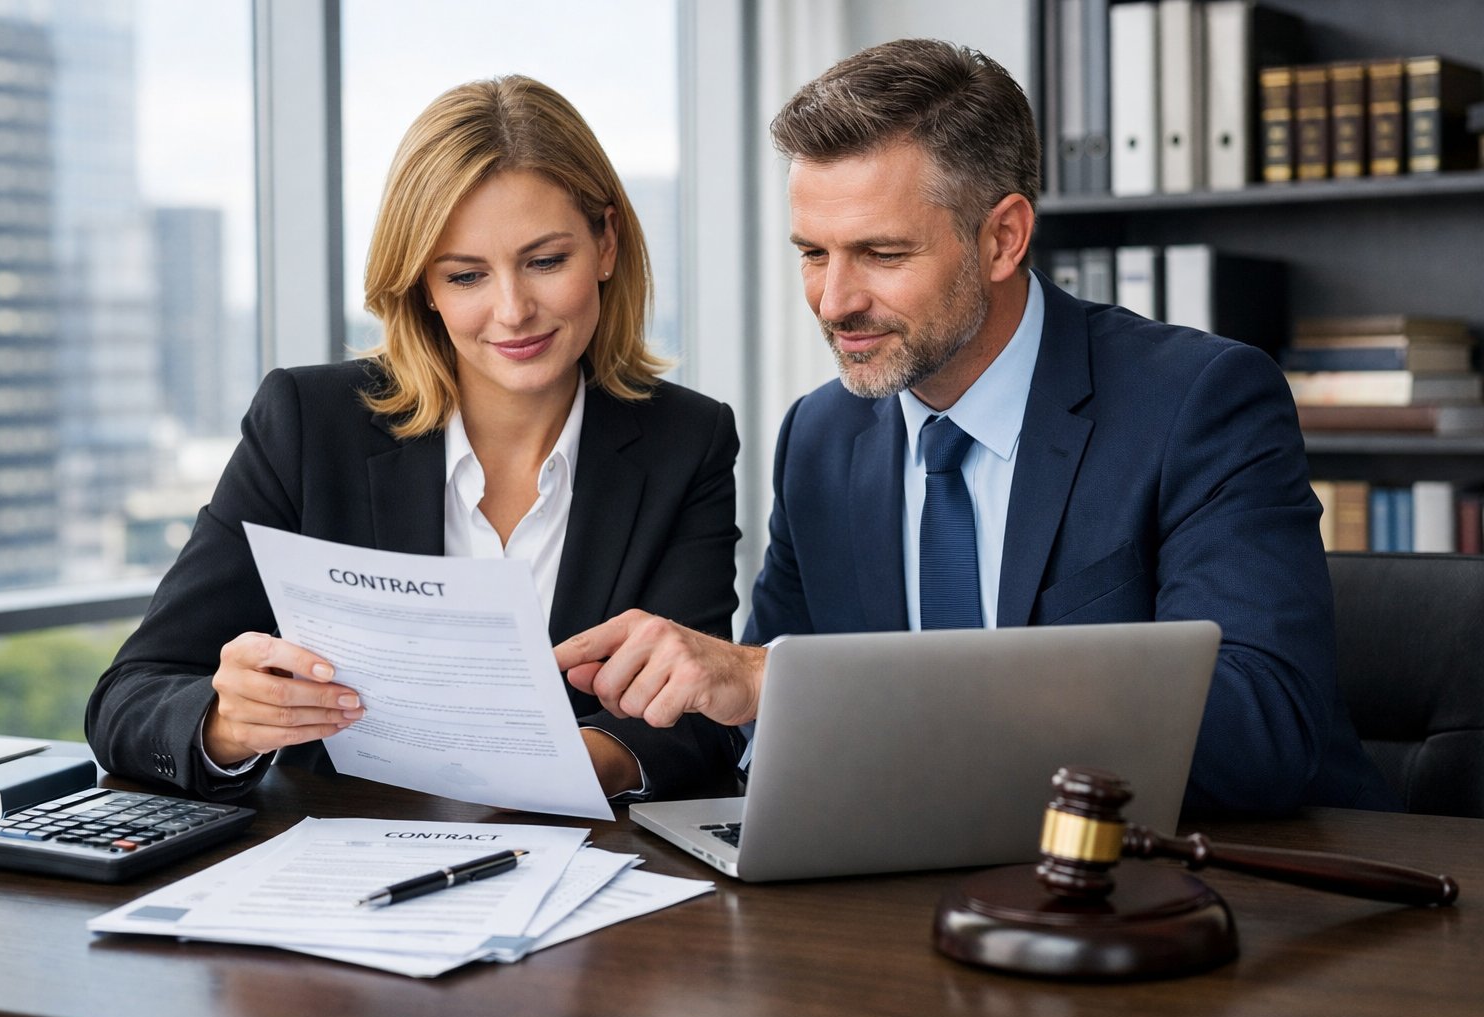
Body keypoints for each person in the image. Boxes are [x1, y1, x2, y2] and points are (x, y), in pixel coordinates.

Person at [555, 39, 1397, 813]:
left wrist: (814, 687)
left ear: (1003, 238)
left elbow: (1259, 731)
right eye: (813, 253)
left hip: (1232, 898)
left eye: (881, 255)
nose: (834, 301)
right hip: (921, 888)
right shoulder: (820, 437)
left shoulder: (1201, 402)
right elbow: (765, 724)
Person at [87, 76, 743, 802]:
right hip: (342, 876)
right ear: (423, 287)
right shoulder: (308, 423)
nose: (513, 310)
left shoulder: (689, 440)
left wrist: (555, 770)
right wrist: (226, 724)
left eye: (546, 261)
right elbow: (128, 699)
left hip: (586, 878)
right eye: (466, 275)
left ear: (606, 244)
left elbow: (703, 723)